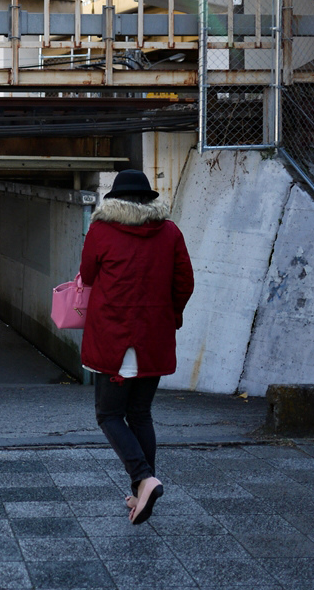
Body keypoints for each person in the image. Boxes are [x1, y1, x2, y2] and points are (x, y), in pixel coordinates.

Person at [79, 169, 194, 525]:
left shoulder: (101, 230)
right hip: (154, 339)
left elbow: (88, 274)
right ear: (148, 200)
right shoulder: (170, 231)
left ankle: (145, 480)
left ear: (114, 200)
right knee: (140, 414)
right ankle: (143, 491)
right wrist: (169, 316)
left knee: (109, 415)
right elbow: (185, 283)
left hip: (113, 337)